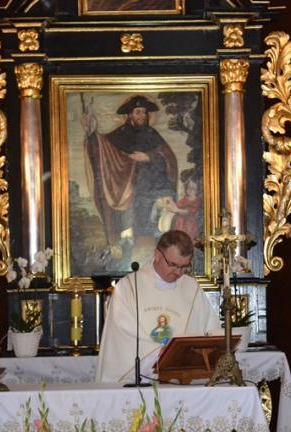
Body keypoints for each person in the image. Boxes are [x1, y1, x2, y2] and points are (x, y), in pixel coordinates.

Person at [95, 229, 220, 384]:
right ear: (157, 255)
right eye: (173, 265)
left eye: (184, 267)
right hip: (139, 382)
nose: (178, 272)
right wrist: (162, 354)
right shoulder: (129, 288)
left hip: (182, 383)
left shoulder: (192, 289)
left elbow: (210, 333)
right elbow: (121, 338)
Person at [82, 94, 178, 269]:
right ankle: (124, 261)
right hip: (128, 189)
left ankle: (160, 260)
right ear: (130, 115)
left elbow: (168, 159)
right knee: (128, 231)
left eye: (144, 112)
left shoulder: (152, 134)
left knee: (160, 220)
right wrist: (91, 133)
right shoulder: (121, 134)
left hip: (153, 188)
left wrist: (148, 157)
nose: (142, 115)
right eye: (138, 112)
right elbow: (103, 147)